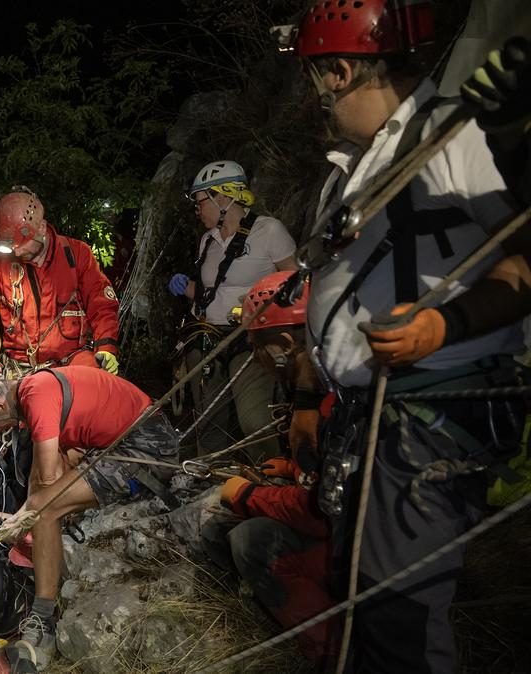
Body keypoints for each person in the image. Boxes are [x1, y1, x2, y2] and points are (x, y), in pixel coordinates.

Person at [292, 4, 527, 672]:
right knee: (361, 600)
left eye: (317, 79)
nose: (318, 100)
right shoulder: (354, 165)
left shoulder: (458, 138)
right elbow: (331, 289)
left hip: (431, 411)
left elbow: (526, 258)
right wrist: (308, 401)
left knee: (400, 617)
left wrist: (443, 325)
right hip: (370, 417)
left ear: (339, 71)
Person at [0, 365, 180, 670]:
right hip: (134, 438)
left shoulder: (37, 396)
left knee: (46, 510)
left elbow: (46, 486)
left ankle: (42, 616)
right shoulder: (33, 391)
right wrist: (20, 515)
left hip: (145, 449)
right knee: (42, 500)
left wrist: (28, 517)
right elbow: (38, 476)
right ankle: (46, 587)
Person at [199, 272, 340, 664]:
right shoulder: (316, 388)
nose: (254, 355)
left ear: (284, 344)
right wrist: (291, 468)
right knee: (223, 528)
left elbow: (321, 510)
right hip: (339, 523)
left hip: (351, 544)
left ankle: (331, 648)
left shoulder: (336, 402)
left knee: (252, 540)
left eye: (256, 345)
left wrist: (248, 495)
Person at [167, 161, 298, 460]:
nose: (197, 210)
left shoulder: (268, 231)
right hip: (209, 339)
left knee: (254, 420)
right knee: (207, 423)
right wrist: (187, 288)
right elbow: (213, 292)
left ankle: (271, 479)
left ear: (222, 198)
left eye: (200, 202)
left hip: (250, 339)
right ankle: (209, 482)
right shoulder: (207, 241)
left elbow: (295, 283)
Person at [0, 187, 121, 377]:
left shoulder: (76, 254)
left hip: (70, 362)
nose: (16, 252)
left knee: (99, 382)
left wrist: (106, 347)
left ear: (41, 228)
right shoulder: (2, 261)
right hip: (20, 370)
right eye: (10, 247)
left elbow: (101, 305)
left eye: (21, 245)